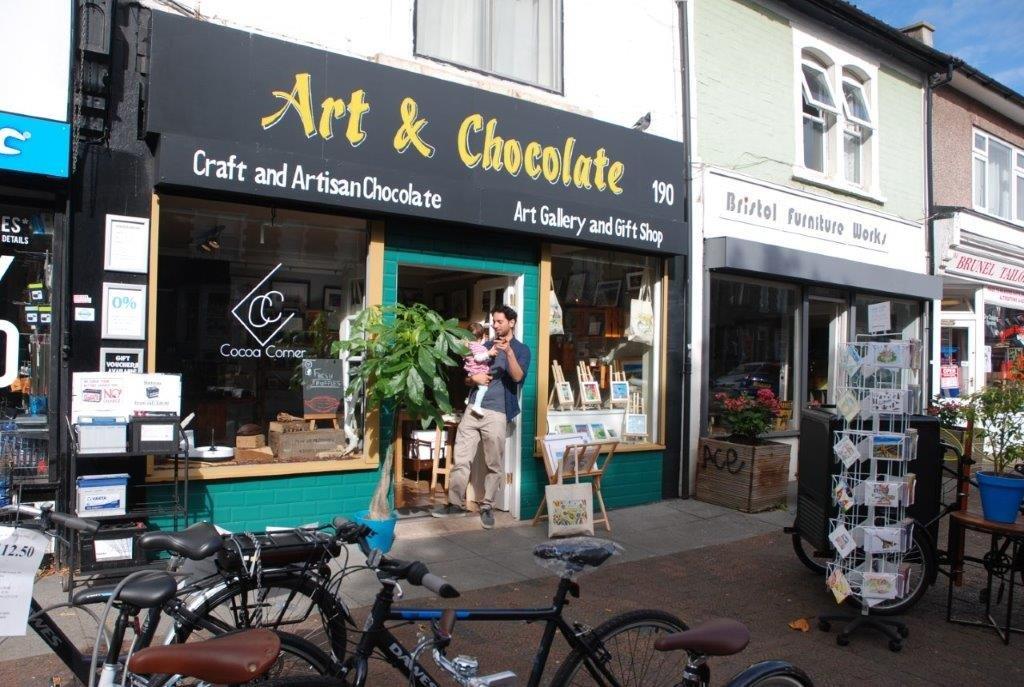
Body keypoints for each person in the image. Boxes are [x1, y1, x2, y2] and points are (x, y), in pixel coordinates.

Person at [433, 305, 531, 529]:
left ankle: (487, 506)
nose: (495, 326)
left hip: (497, 412)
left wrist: (508, 352)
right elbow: (467, 377)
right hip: (473, 410)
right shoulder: (484, 346)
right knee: (461, 458)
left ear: (511, 323)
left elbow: (517, 377)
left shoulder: (522, 349)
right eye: (493, 322)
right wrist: (474, 379)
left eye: (499, 322)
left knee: (493, 464)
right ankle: (455, 504)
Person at [463, 322, 497, 418]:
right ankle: (477, 405)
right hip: (478, 370)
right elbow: (478, 357)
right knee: (483, 388)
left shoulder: (469, 345)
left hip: (472, 370)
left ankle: (468, 398)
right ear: (482, 337)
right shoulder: (476, 346)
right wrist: (489, 353)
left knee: (475, 387)